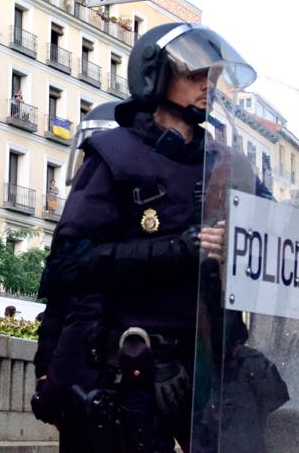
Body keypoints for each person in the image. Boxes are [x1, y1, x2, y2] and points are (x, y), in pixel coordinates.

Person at [31, 23, 267, 452]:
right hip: (133, 367)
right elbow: (69, 265)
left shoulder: (228, 166)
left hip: (210, 364)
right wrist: (178, 250)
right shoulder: (113, 155)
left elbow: (276, 236)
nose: (207, 86)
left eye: (212, 77)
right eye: (195, 75)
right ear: (155, 75)